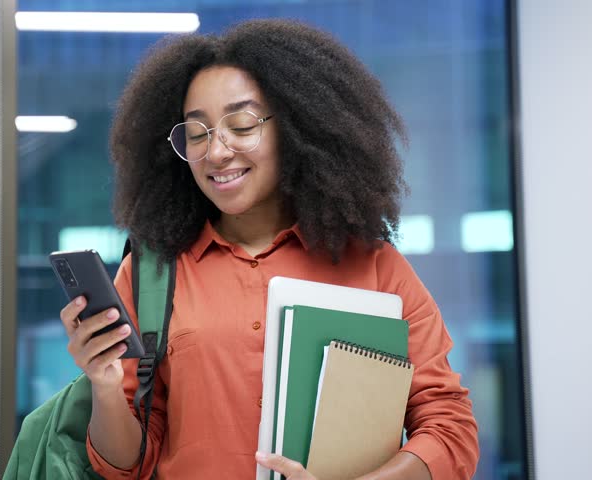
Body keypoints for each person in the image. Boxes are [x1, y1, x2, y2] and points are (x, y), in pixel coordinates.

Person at [59, 19, 479, 480]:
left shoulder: (376, 268)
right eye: (196, 134)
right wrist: (103, 384)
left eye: (241, 124)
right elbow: (127, 465)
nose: (216, 152)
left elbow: (449, 429)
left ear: (299, 127)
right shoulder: (150, 275)